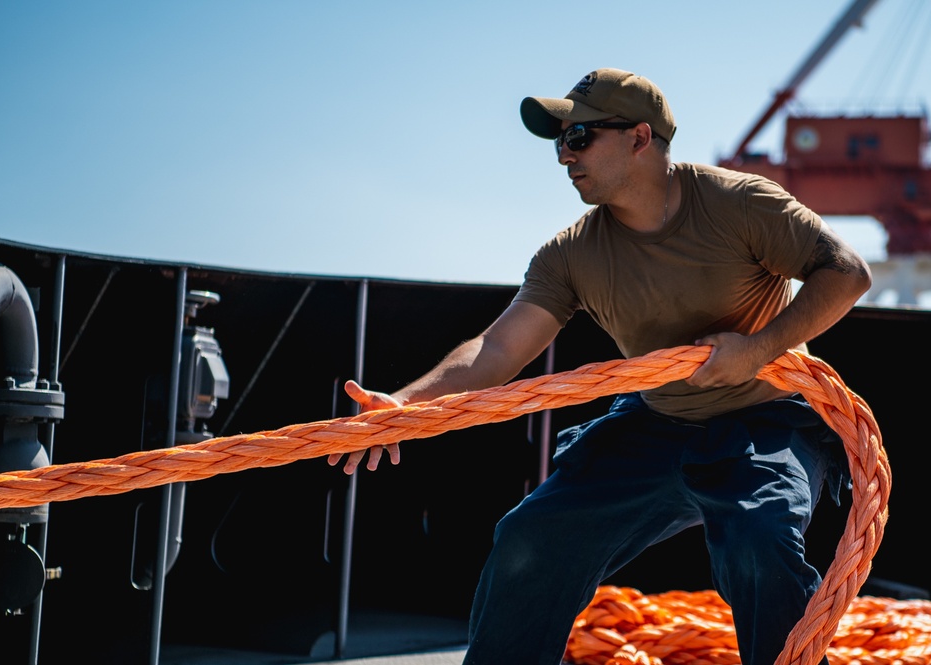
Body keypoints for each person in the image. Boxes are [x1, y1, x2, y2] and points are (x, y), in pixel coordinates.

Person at [328, 68, 872, 665]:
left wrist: (757, 349)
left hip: (764, 423)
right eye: (559, 141)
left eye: (579, 136)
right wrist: (407, 404)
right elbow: (499, 349)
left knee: (758, 543)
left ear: (640, 138)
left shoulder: (740, 204)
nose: (564, 154)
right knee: (528, 540)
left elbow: (846, 273)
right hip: (655, 425)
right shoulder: (570, 254)